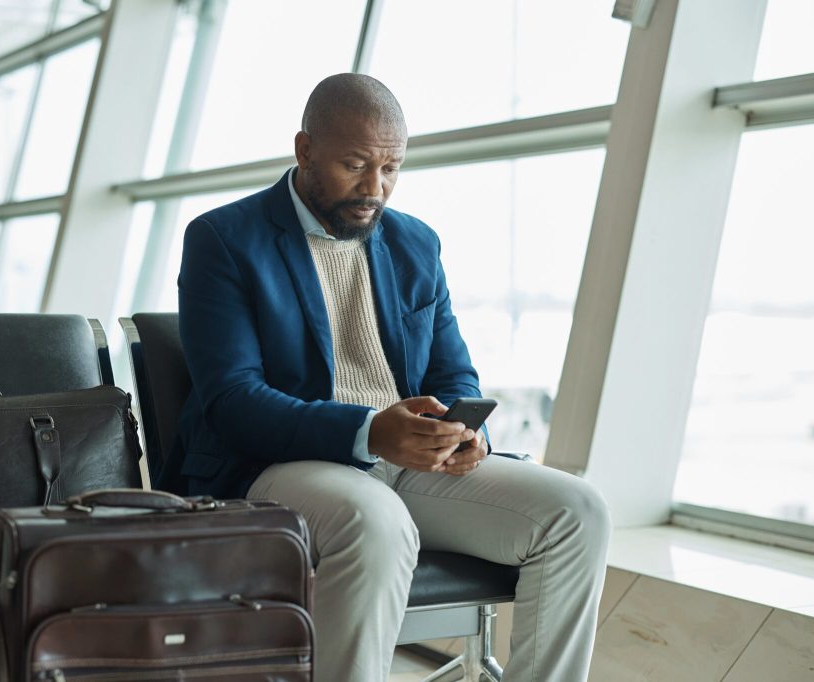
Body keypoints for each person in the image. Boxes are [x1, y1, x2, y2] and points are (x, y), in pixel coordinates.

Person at [175, 73, 610, 682]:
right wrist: (368, 432)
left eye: (391, 168)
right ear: (305, 151)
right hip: (275, 464)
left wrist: (461, 433)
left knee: (578, 510)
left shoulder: (415, 243)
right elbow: (233, 401)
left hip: (402, 460)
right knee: (374, 521)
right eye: (354, 165)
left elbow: (452, 371)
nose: (374, 188)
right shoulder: (224, 239)